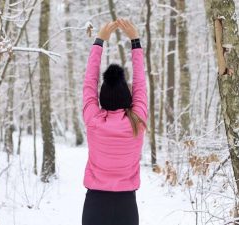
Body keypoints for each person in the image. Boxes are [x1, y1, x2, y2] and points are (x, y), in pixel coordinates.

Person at [81, 18, 148, 225]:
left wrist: (99, 41)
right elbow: (140, 83)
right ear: (128, 96)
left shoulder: (93, 119)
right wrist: (135, 41)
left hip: (95, 204)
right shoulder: (136, 120)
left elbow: (89, 82)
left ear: (101, 97)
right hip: (126, 205)